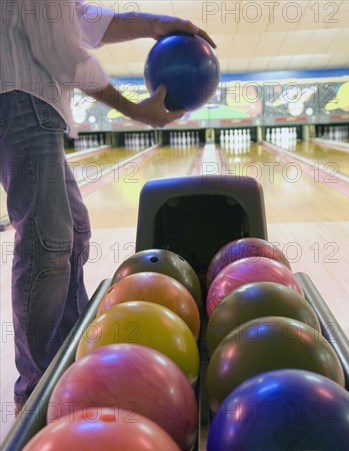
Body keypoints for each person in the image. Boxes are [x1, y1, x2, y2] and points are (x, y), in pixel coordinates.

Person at [0, 1, 216, 414]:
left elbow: (77, 19)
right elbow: (61, 51)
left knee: (72, 234)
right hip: (19, 100)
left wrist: (156, 23)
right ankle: (40, 390)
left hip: (33, 105)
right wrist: (135, 109)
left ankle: (70, 360)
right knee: (48, 245)